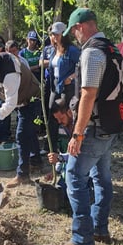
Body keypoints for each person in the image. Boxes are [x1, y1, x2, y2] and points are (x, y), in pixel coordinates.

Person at [46, 7, 123, 245]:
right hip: (111, 125)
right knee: (101, 177)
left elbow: (88, 93)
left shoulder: (92, 51)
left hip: (94, 127)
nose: (74, 37)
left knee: (74, 177)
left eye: (74, 32)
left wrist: (77, 134)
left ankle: (82, 239)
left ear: (81, 27)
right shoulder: (111, 48)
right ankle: (100, 228)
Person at [0, 47, 42, 188]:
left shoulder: (9, 73)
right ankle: (36, 161)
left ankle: (23, 175)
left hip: (32, 100)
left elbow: (10, 105)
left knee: (22, 135)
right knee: (28, 133)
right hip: (23, 100)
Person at [47, 21, 80, 151]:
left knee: (67, 116)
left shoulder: (72, 50)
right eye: (53, 34)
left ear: (64, 35)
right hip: (55, 85)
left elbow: (82, 67)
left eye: (57, 34)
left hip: (68, 87)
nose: (55, 37)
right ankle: (52, 147)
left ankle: (71, 145)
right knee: (52, 114)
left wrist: (71, 77)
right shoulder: (54, 50)